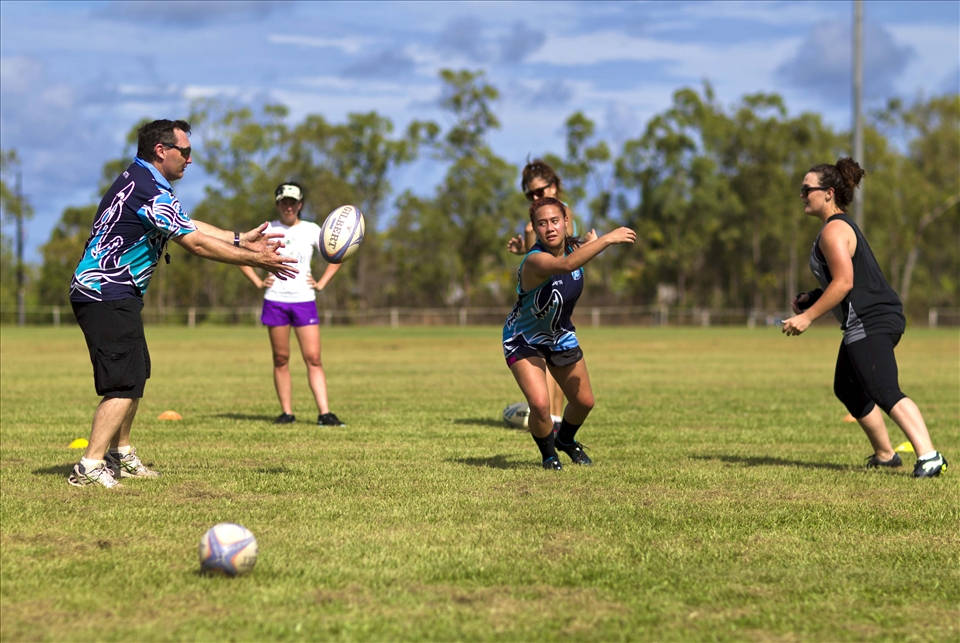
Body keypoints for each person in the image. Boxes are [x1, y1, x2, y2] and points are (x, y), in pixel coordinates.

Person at [68, 119, 298, 488]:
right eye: (185, 152)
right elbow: (195, 243)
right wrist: (257, 260)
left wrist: (241, 240)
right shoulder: (147, 188)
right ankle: (90, 467)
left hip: (115, 293)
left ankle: (120, 455)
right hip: (104, 293)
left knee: (135, 374)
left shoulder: (147, 182)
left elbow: (187, 225)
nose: (190, 160)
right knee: (123, 382)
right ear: (162, 150)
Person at [782, 157, 948, 478]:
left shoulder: (834, 231)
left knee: (884, 390)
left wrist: (808, 318)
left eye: (806, 189)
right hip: (871, 317)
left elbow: (844, 282)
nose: (802, 195)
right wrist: (812, 298)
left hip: (870, 321)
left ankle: (929, 456)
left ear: (828, 193)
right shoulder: (837, 227)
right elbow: (848, 280)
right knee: (846, 386)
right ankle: (886, 455)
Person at [503, 196, 635, 469]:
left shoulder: (576, 247)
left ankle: (565, 439)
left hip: (560, 335)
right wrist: (607, 239)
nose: (549, 228)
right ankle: (549, 456)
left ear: (566, 222)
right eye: (542, 224)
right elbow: (567, 265)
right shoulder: (535, 261)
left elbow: (576, 252)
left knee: (584, 403)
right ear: (535, 229)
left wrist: (590, 240)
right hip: (523, 339)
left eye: (554, 221)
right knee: (540, 405)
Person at [239, 182, 345, 427]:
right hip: (275, 300)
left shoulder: (312, 230)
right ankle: (287, 413)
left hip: (304, 301)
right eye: (284, 202)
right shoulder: (268, 230)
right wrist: (257, 281)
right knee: (281, 358)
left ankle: (325, 413)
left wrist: (321, 283)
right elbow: (240, 253)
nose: (288, 206)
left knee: (314, 358)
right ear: (277, 204)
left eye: (293, 202)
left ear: (300, 204)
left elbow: (337, 254)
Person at [507, 160, 596, 432]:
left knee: (556, 354)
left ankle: (555, 419)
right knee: (546, 354)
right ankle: (551, 417)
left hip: (559, 291)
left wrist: (593, 244)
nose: (535, 197)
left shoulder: (561, 215)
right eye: (530, 195)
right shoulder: (540, 220)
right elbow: (542, 251)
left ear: (554, 187)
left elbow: (565, 254)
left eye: (539, 191)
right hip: (544, 293)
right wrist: (523, 248)